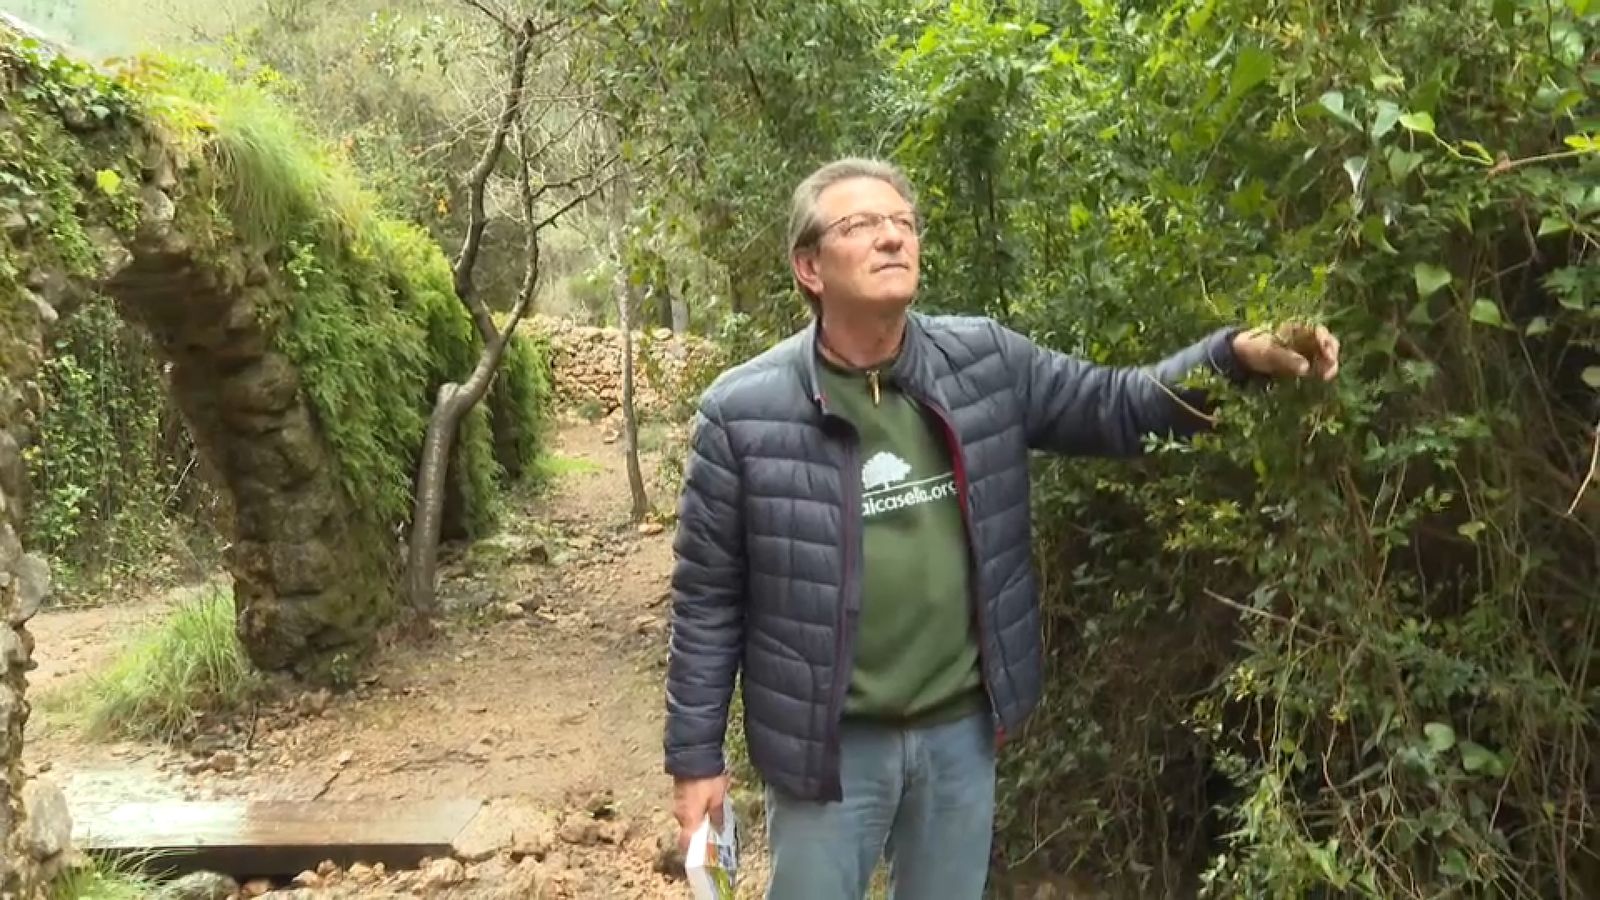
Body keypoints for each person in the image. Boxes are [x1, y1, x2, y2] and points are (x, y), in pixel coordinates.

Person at [663, 157, 1340, 900]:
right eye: (860, 225)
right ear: (810, 267)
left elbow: (1115, 406)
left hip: (959, 733)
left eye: (903, 223)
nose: (892, 238)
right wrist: (697, 756)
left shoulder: (982, 360)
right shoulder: (743, 413)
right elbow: (708, 599)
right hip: (830, 748)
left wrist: (1231, 357)